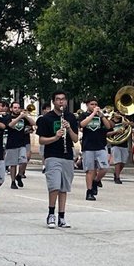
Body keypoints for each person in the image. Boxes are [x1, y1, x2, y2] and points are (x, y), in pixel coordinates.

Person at [37, 91, 79, 229]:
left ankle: (62, 216)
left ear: (66, 101)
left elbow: (75, 139)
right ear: (53, 102)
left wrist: (69, 128)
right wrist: (55, 137)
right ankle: (51, 214)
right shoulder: (46, 118)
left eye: (63, 99)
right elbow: (41, 140)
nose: (61, 102)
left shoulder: (71, 117)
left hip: (67, 156)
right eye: (58, 100)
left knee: (63, 188)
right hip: (52, 155)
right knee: (54, 186)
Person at [79, 97, 110, 201]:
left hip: (100, 145)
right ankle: (89, 191)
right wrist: (92, 114)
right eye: (92, 104)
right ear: (87, 105)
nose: (94, 106)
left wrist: (102, 116)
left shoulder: (100, 116)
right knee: (90, 170)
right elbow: (82, 124)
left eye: (95, 104)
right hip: (88, 146)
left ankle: (96, 181)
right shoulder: (83, 115)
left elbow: (108, 126)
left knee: (104, 167)